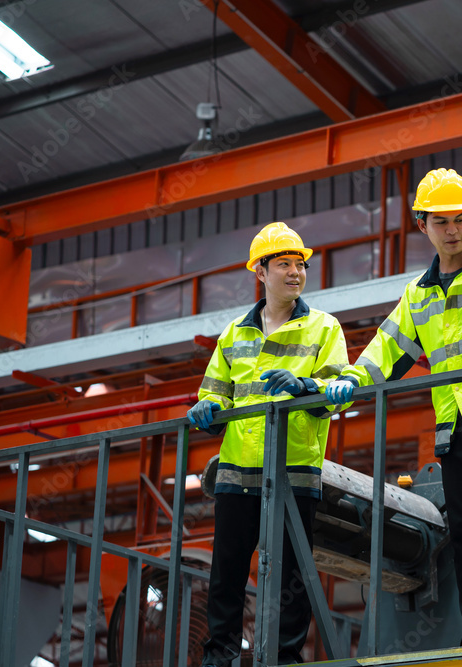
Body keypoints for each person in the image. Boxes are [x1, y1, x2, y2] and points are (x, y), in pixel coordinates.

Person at [326, 168, 462, 645]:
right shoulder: (418, 293)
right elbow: (387, 349)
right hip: (455, 426)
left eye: (460, 219)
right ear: (422, 225)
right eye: (441, 221)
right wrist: (350, 380)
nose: (453, 230)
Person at [188, 222, 348, 666]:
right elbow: (215, 393)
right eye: (284, 264)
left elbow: (338, 391)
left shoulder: (324, 328)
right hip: (238, 470)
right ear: (260, 271)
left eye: (300, 264)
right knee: (227, 570)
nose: (296, 272)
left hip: (293, 469)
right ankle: (219, 655)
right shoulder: (233, 335)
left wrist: (305, 387)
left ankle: (283, 658)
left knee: (291, 575)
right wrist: (207, 408)